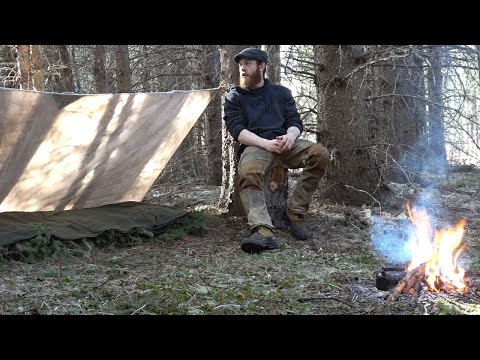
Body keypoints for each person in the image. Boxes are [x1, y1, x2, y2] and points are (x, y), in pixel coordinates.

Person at [223, 47, 330, 254]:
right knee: (248, 173)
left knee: (319, 153)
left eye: (248, 64)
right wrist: (265, 143)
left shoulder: (281, 93)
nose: (242, 69)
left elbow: (295, 121)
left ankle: (295, 214)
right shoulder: (234, 96)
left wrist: (290, 136)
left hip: (285, 143)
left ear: (261, 67)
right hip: (256, 145)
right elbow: (237, 130)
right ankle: (263, 231)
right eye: (241, 65)